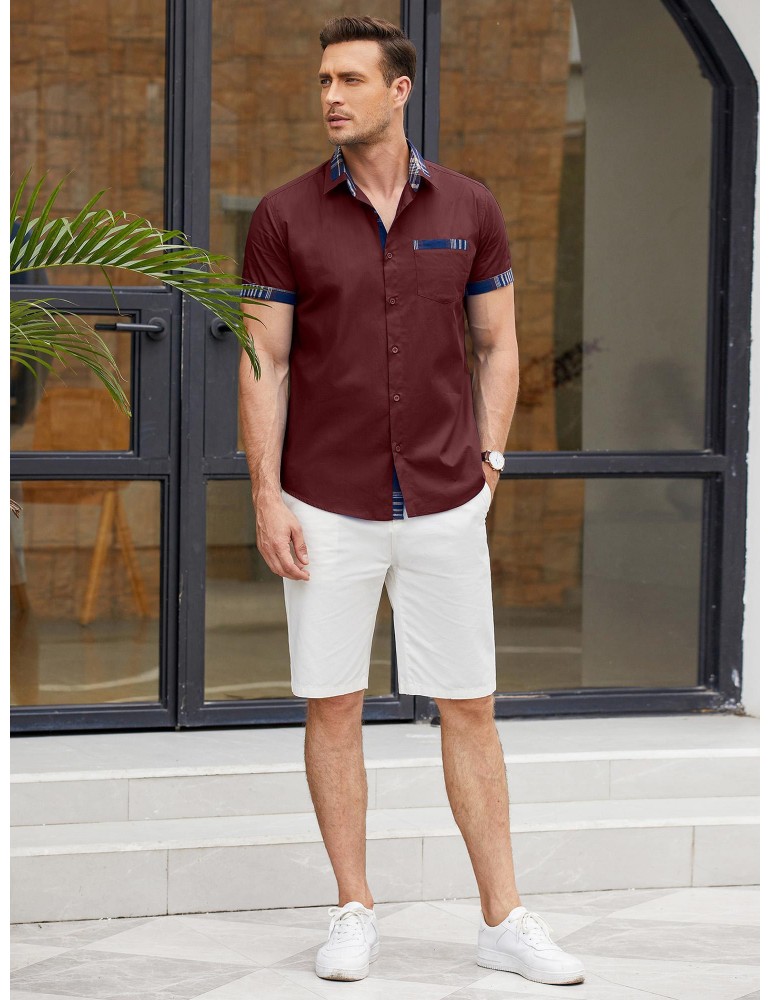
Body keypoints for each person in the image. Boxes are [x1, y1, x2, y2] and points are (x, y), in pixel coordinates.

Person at [238, 14, 585, 988]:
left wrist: (491, 462)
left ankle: (504, 919)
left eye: (349, 79)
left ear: (400, 90)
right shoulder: (283, 215)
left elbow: (499, 344)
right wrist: (266, 496)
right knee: (332, 705)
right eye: (321, 80)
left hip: (442, 497)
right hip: (324, 501)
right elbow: (263, 361)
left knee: (470, 704)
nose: (329, 96)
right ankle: (353, 909)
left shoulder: (470, 206)